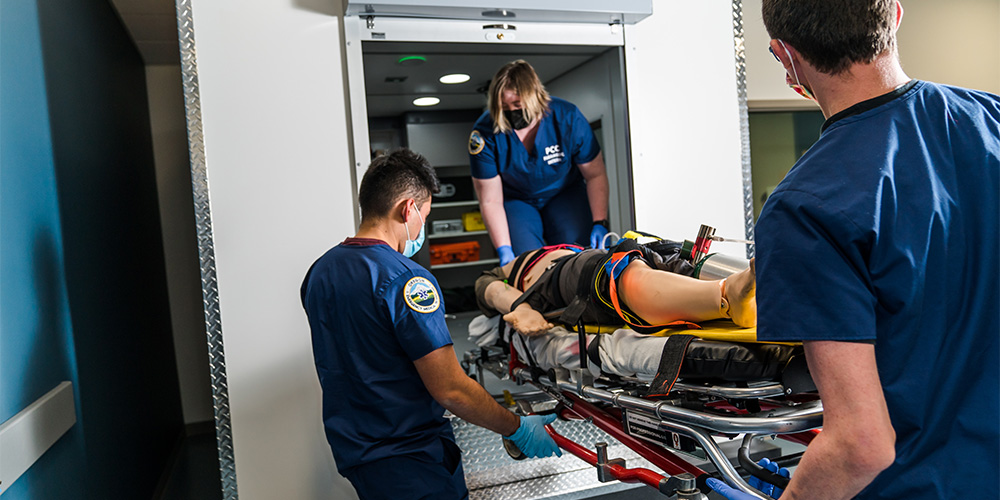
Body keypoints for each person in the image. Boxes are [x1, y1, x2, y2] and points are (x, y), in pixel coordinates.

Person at [712, 1, 999, 499]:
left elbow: (861, 446)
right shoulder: (992, 119)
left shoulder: (803, 207)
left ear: (786, 58)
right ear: (895, 15)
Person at [300, 149, 562, 500]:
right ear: (408, 209)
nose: (421, 227)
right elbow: (451, 389)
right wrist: (517, 427)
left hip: (359, 453)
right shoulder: (406, 281)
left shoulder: (320, 271)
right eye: (424, 215)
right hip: (410, 459)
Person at [469, 60, 611, 265]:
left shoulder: (567, 118)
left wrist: (600, 221)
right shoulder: (484, 134)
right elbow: (490, 199)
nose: (512, 112)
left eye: (517, 105)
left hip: (564, 193)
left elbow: (595, 174)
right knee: (527, 261)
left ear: (535, 97)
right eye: (504, 107)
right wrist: (504, 249)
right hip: (516, 200)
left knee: (575, 256)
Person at [474, 241, 757, 336]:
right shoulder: (514, 268)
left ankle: (754, 289)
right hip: (563, 279)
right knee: (615, 276)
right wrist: (521, 308)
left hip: (594, 258)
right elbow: (489, 287)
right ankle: (725, 296)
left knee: (675, 259)